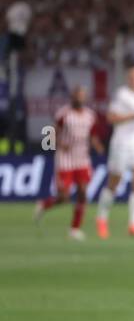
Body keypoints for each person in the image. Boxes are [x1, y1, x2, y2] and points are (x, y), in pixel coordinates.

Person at [34, 85, 101, 240]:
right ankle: (44, 205)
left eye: (82, 95)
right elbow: (49, 134)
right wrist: (58, 144)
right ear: (72, 97)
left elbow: (92, 136)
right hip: (65, 159)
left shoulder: (90, 116)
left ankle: (75, 228)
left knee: (83, 193)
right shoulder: (64, 114)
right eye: (77, 95)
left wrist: (97, 146)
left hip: (82, 158)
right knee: (64, 196)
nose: (79, 98)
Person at [96, 65, 134, 239]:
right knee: (115, 181)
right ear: (128, 79)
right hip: (121, 143)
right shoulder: (121, 95)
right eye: (133, 77)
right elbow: (111, 118)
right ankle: (102, 218)